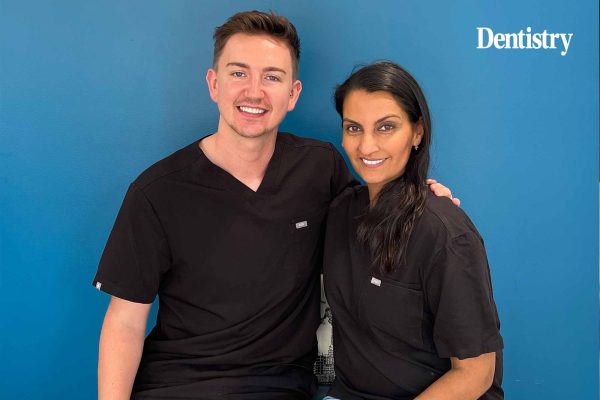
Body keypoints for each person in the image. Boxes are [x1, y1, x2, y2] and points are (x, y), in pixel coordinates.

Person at [93, 12, 456, 400]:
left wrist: (416, 197)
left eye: (272, 77)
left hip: (278, 385)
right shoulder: (157, 193)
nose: (254, 92)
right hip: (175, 385)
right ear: (214, 84)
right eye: (238, 73)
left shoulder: (320, 168)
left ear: (293, 94)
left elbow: (372, 211)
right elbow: (125, 322)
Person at [323, 62, 503, 400]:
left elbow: (476, 375)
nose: (367, 147)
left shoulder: (445, 233)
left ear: (417, 132)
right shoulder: (340, 212)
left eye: (386, 127)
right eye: (353, 128)